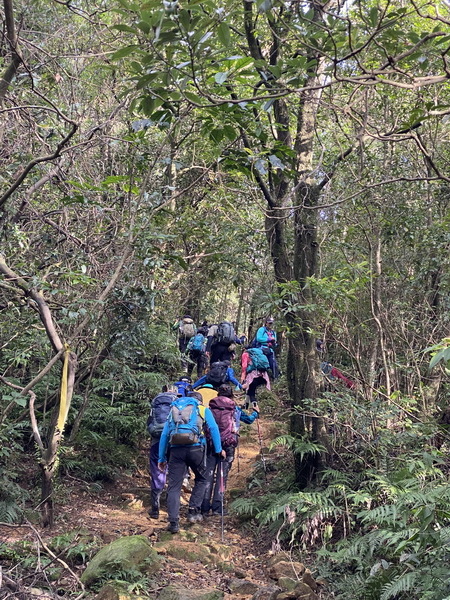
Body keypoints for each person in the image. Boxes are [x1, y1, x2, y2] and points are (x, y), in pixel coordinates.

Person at [158, 391, 225, 533]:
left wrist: (161, 458)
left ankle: (173, 522)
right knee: (202, 479)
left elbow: (164, 434)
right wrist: (219, 449)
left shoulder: (175, 410)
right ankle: (193, 511)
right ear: (199, 401)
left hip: (176, 451)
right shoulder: (202, 409)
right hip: (196, 449)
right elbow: (213, 428)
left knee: (174, 486)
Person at [201, 384, 259, 516]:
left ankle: (204, 507)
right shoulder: (235, 409)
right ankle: (217, 507)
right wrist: (256, 412)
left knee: (208, 474)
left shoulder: (210, 409)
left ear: (218, 394)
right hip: (228, 445)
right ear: (231, 394)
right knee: (222, 475)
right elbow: (249, 420)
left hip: (211, 445)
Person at [146, 385, 178, 519]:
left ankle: (155, 507)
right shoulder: (178, 402)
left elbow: (149, 422)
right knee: (175, 469)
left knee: (156, 468)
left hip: (156, 440)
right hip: (173, 440)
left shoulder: (156, 401)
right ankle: (171, 506)